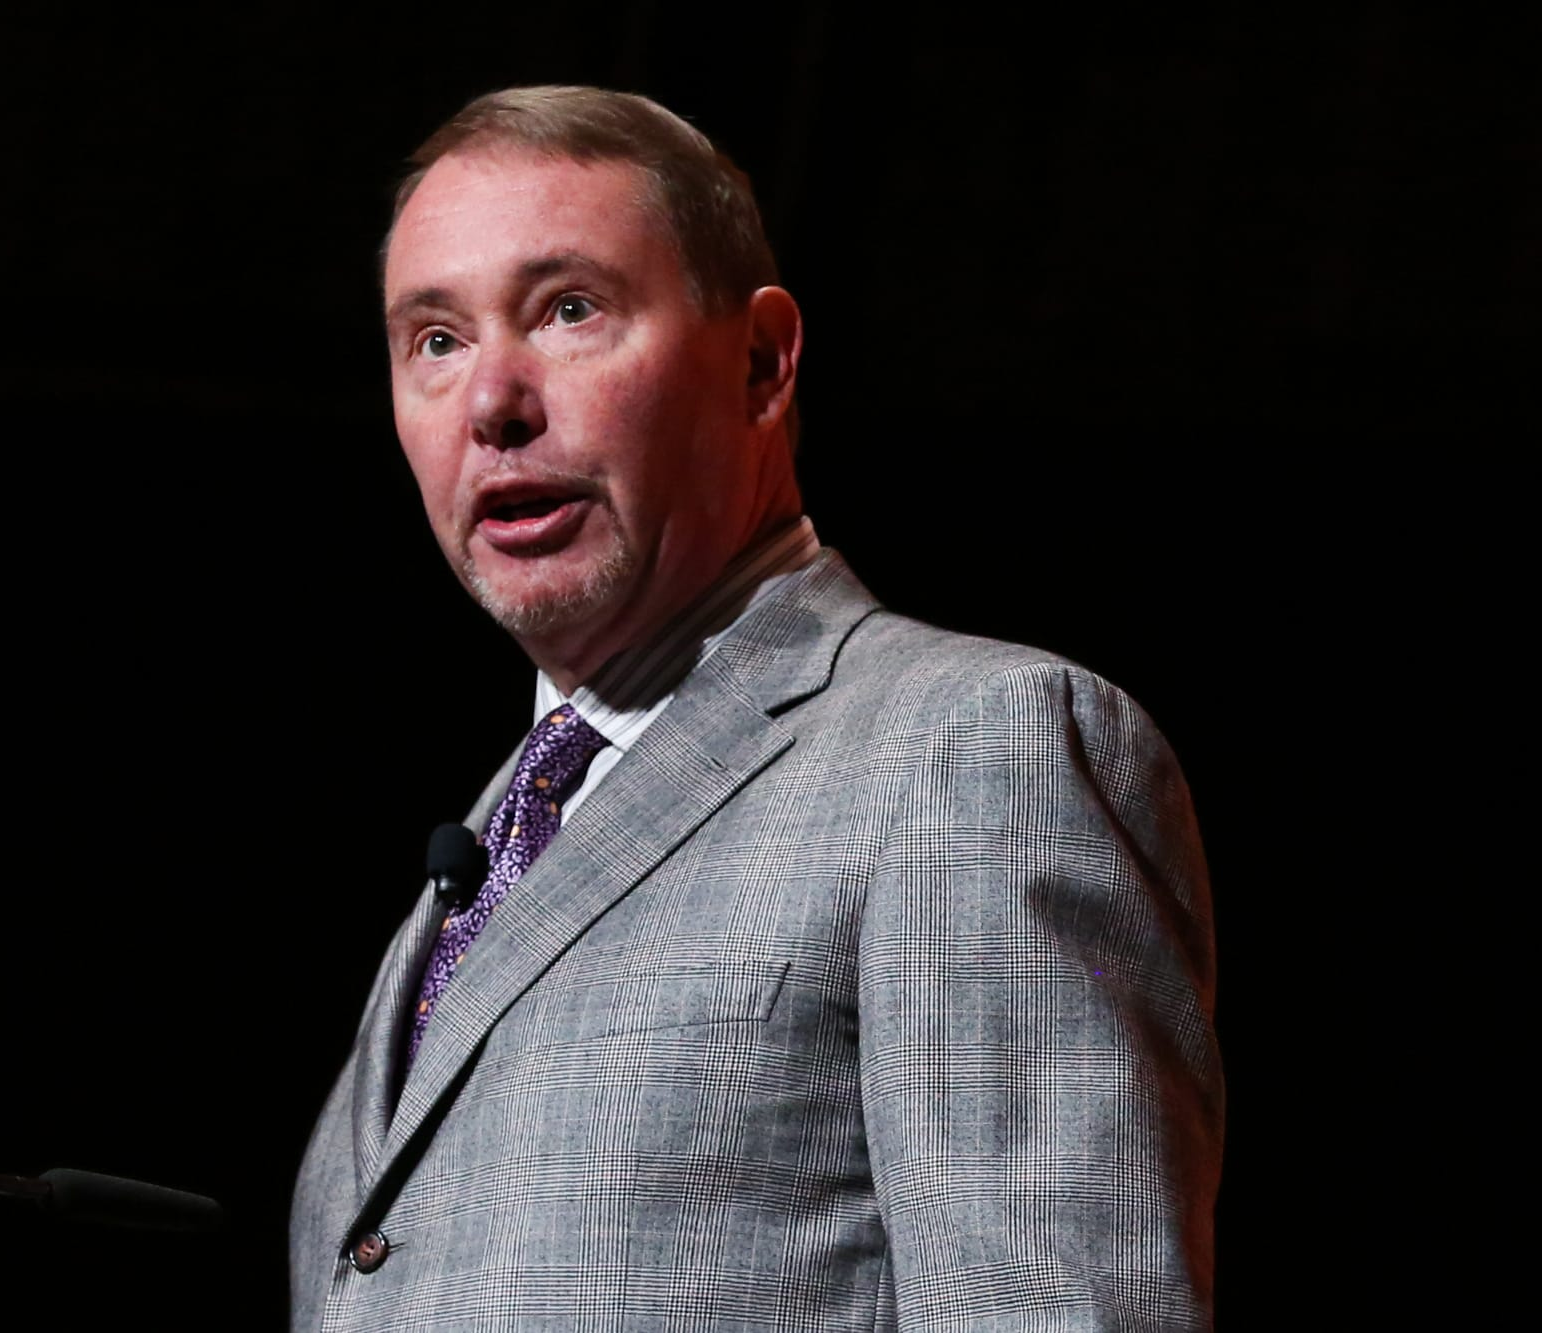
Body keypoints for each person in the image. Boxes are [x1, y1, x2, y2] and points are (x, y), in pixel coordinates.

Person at [290, 85, 1222, 1331]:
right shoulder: (500, 839)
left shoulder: (968, 749)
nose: (492, 403)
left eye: (569, 310)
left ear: (761, 361)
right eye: (436, 339)